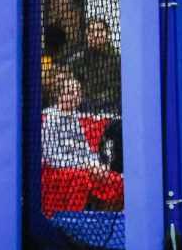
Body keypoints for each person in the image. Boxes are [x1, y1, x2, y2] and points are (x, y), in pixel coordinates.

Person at [41, 75, 124, 214]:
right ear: (58, 95)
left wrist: (96, 166)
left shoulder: (75, 118)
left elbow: (86, 151)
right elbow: (51, 157)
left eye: (78, 92)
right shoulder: (49, 118)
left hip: (81, 169)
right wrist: (85, 166)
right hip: (56, 171)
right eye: (70, 93)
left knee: (115, 181)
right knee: (81, 179)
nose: (76, 97)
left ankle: (102, 219)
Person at [68, 17, 121, 114]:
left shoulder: (118, 59)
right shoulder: (77, 60)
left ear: (108, 34)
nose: (96, 35)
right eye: (91, 31)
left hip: (113, 107)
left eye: (100, 31)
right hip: (87, 108)